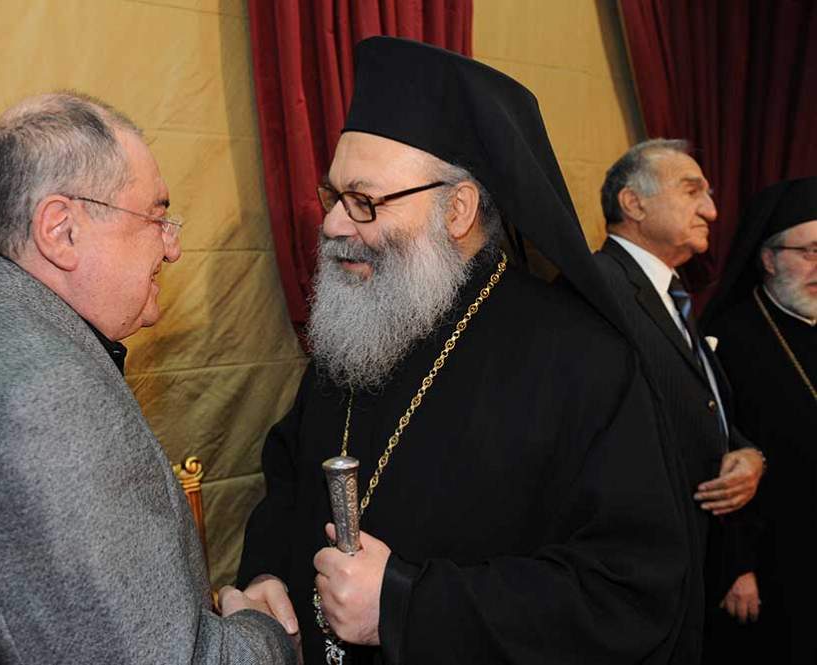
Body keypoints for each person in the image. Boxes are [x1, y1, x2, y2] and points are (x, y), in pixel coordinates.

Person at [237, 37, 700, 665]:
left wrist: (407, 605)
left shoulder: (582, 360)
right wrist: (266, 574)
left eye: (364, 202)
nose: (333, 225)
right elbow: (290, 478)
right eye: (333, 196)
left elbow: (626, 593)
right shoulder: (356, 329)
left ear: (457, 210)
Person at [0, 92, 295, 664]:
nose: (172, 247)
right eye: (156, 217)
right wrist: (266, 633)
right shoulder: (42, 397)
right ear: (60, 230)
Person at [593, 139, 766, 663]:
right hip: (641, 572)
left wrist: (746, 453)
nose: (711, 210)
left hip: (699, 559)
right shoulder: (598, 288)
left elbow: (701, 400)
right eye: (692, 191)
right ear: (634, 203)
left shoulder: (673, 293)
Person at [705, 176, 817, 663]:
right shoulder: (725, 339)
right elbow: (709, 456)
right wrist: (735, 564)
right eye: (810, 252)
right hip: (775, 558)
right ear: (768, 259)